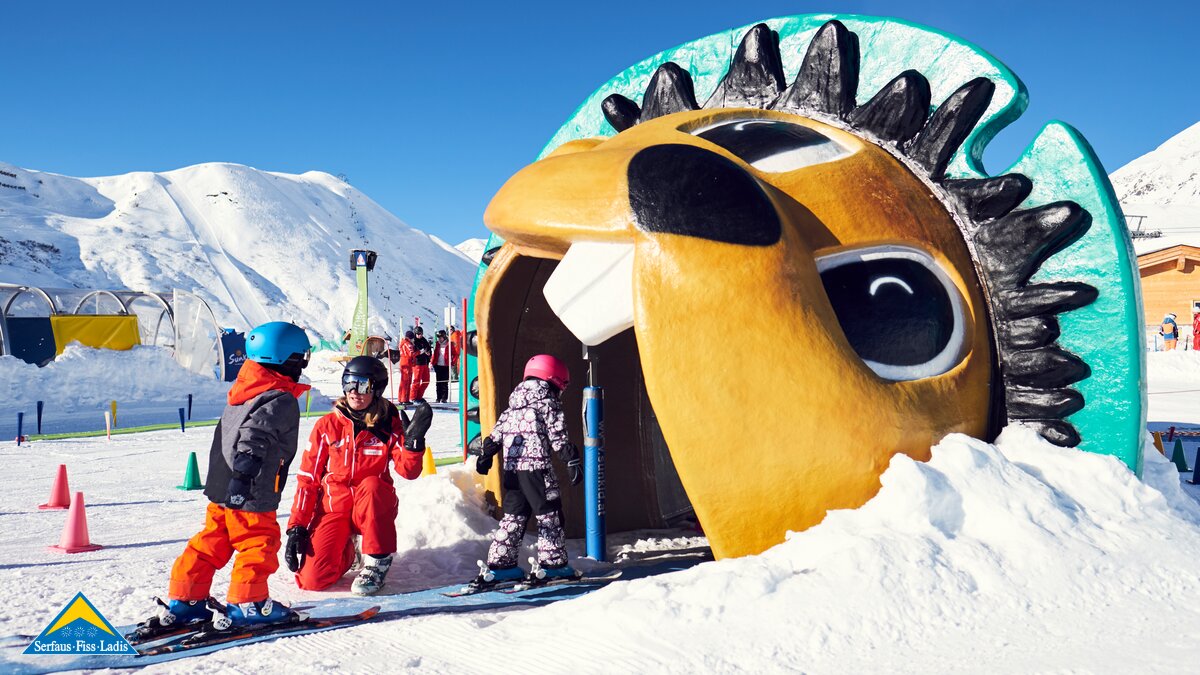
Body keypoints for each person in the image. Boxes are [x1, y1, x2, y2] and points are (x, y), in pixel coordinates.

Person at [138, 321, 312, 633]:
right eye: (301, 359)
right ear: (288, 359)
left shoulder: (244, 389)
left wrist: (232, 481)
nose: (302, 366)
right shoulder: (278, 398)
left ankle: (186, 599)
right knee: (258, 542)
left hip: (222, 482)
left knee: (213, 539)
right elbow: (252, 438)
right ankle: (249, 603)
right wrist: (244, 479)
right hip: (250, 485)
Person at [285, 356, 432, 595]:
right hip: (335, 508)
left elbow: (409, 472)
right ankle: (348, 551)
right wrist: (297, 527)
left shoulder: (387, 426)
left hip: (372, 506)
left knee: (372, 484)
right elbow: (307, 479)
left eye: (363, 385)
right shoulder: (327, 426)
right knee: (312, 579)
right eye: (349, 383)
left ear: (377, 389)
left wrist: (413, 445)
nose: (354, 392)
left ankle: (376, 561)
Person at [472, 354, 583, 587]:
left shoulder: (514, 405)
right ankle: (553, 566)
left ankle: (502, 565)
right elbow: (557, 435)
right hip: (537, 469)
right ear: (555, 379)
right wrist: (571, 460)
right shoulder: (548, 402)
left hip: (512, 472)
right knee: (549, 516)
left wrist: (485, 455)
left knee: (513, 518)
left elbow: (495, 435)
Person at [432, 329, 453, 403]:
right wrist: (433, 363)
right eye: (438, 337)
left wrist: (452, 362)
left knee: (444, 383)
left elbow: (454, 354)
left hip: (446, 365)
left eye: (440, 337)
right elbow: (435, 354)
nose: (439, 339)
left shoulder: (449, 344)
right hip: (438, 365)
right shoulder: (437, 344)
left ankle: (444, 398)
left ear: (444, 337)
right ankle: (438, 397)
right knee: (438, 383)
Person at [411, 326, 431, 400]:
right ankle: (413, 397)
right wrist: (422, 351)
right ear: (415, 334)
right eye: (418, 334)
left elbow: (428, 348)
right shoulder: (414, 341)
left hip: (425, 363)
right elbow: (414, 353)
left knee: (426, 381)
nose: (420, 335)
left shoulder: (424, 340)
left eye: (421, 333)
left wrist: (429, 353)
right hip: (417, 364)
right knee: (416, 381)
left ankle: (419, 396)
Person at [397, 331, 416, 404]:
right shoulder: (408, 344)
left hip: (403, 362)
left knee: (403, 382)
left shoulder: (402, 343)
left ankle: (401, 398)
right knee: (406, 382)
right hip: (407, 364)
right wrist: (419, 352)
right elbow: (411, 354)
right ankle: (404, 399)